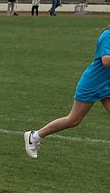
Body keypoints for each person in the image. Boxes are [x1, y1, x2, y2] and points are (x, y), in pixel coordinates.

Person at [24, 26, 110, 158]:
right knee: (73, 120)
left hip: (107, 84)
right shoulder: (107, 36)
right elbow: (106, 61)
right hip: (92, 83)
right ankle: (34, 136)